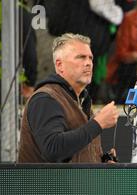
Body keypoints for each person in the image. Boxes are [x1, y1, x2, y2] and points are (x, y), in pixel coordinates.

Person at [18, 33, 119, 163]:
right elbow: (53, 148)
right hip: (47, 184)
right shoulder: (45, 98)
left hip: (73, 183)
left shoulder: (81, 99)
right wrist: (98, 124)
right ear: (59, 65)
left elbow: (74, 153)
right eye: (81, 58)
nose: (88, 63)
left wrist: (101, 161)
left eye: (90, 58)